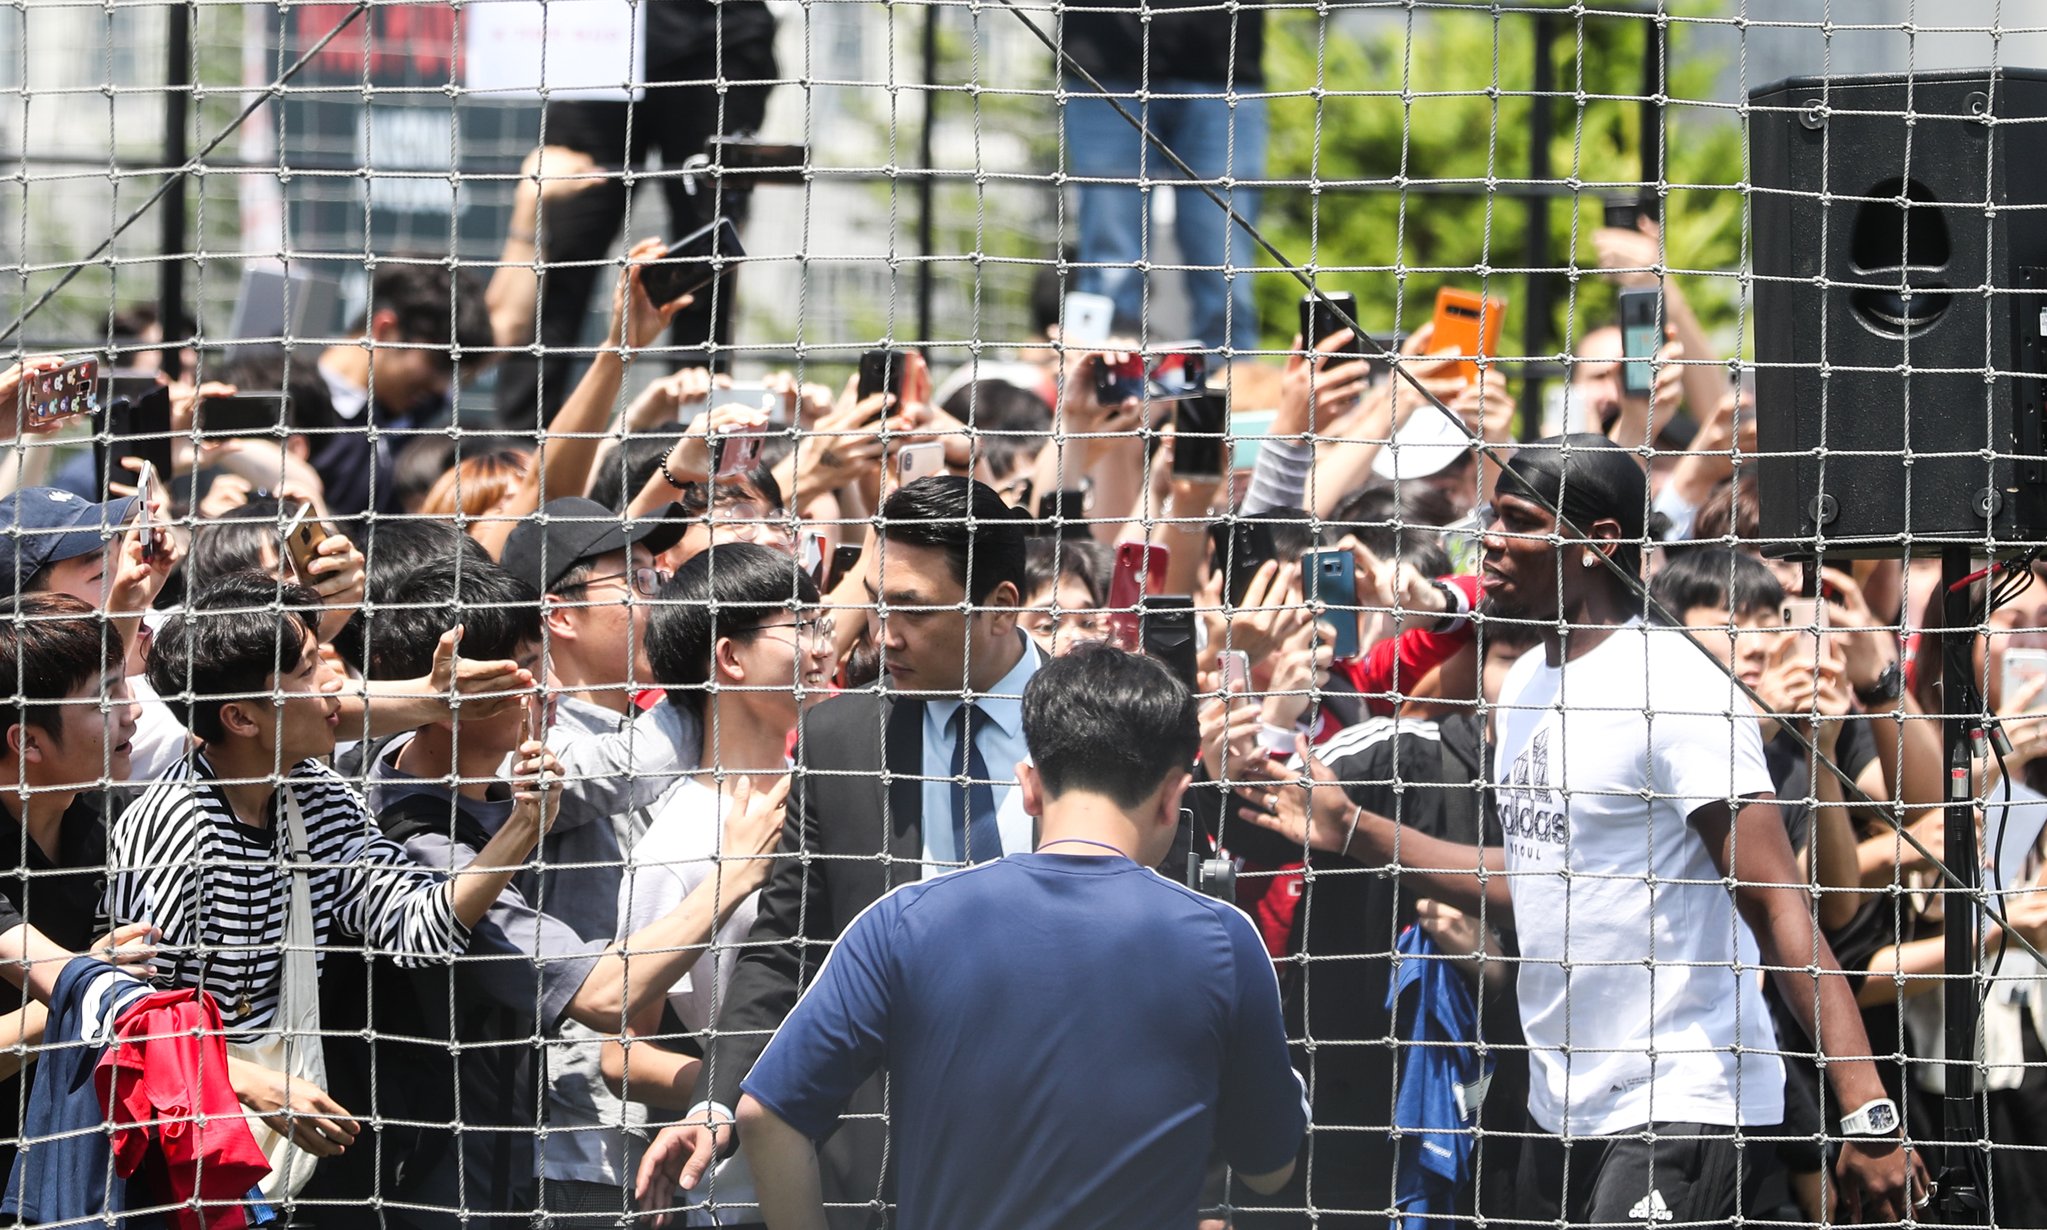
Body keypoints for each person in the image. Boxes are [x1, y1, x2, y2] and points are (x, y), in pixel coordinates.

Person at [1251, 434, 1928, 1226]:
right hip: (1560, 1106)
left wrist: (1867, 1111)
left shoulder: (1676, 691)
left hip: (1681, 1100)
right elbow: (1542, 880)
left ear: (1594, 544)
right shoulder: (1530, 685)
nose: (1489, 542)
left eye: (1516, 520)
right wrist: (1355, 829)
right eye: (1489, 518)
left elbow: (1777, 902)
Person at [726, 644, 1306, 1230]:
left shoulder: (902, 920)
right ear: (1171, 798)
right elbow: (1269, 1168)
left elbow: (765, 1115)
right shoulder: (1223, 940)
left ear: (1028, 786)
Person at [635, 476, 1039, 1228]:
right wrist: (717, 1098)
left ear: (1001, 606)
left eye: (914, 609)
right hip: (885, 1164)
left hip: (1061, 1145)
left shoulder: (1096, 720)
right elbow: (786, 947)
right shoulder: (841, 740)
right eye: (879, 602)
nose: (883, 635)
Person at [339, 561, 786, 1228]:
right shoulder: (417, 844)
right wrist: (738, 872)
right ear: (444, 694)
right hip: (435, 1186)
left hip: (502, 1167)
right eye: (520, 671)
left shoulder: (496, 785)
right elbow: (605, 999)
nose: (545, 690)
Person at [104, 570, 563, 1185]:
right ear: (241, 718)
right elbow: (127, 1014)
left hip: (280, 1143)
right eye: (304, 673)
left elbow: (417, 928)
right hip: (175, 1153)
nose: (335, 685)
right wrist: (246, 1081)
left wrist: (523, 827)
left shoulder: (315, 795)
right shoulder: (169, 828)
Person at [607, 543, 835, 1225]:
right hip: (742, 1185)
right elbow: (619, 1049)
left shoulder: (844, 796)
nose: (826, 646)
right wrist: (728, 1090)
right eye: (802, 627)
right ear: (731, 658)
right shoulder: (674, 844)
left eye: (822, 623)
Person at [499, 496, 705, 1219]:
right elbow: (621, 768)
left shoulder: (644, 730)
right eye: (639, 582)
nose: (662, 601)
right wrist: (715, 671)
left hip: (653, 1119)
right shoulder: (521, 736)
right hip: (570, 1127)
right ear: (559, 615)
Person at [494, 5, 779, 429]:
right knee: (562, 251)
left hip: (719, 30)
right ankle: (517, 451)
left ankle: (697, 450)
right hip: (601, 33)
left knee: (708, 257)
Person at [1058, 1, 1265, 353]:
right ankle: (1105, 399)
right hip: (1103, 56)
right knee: (1110, 272)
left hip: (1223, 58)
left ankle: (1229, 399)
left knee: (1226, 273)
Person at [315, 263, 493, 518]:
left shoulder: (413, 403)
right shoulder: (298, 406)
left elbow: (510, 320)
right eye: (439, 363)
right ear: (386, 330)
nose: (443, 386)